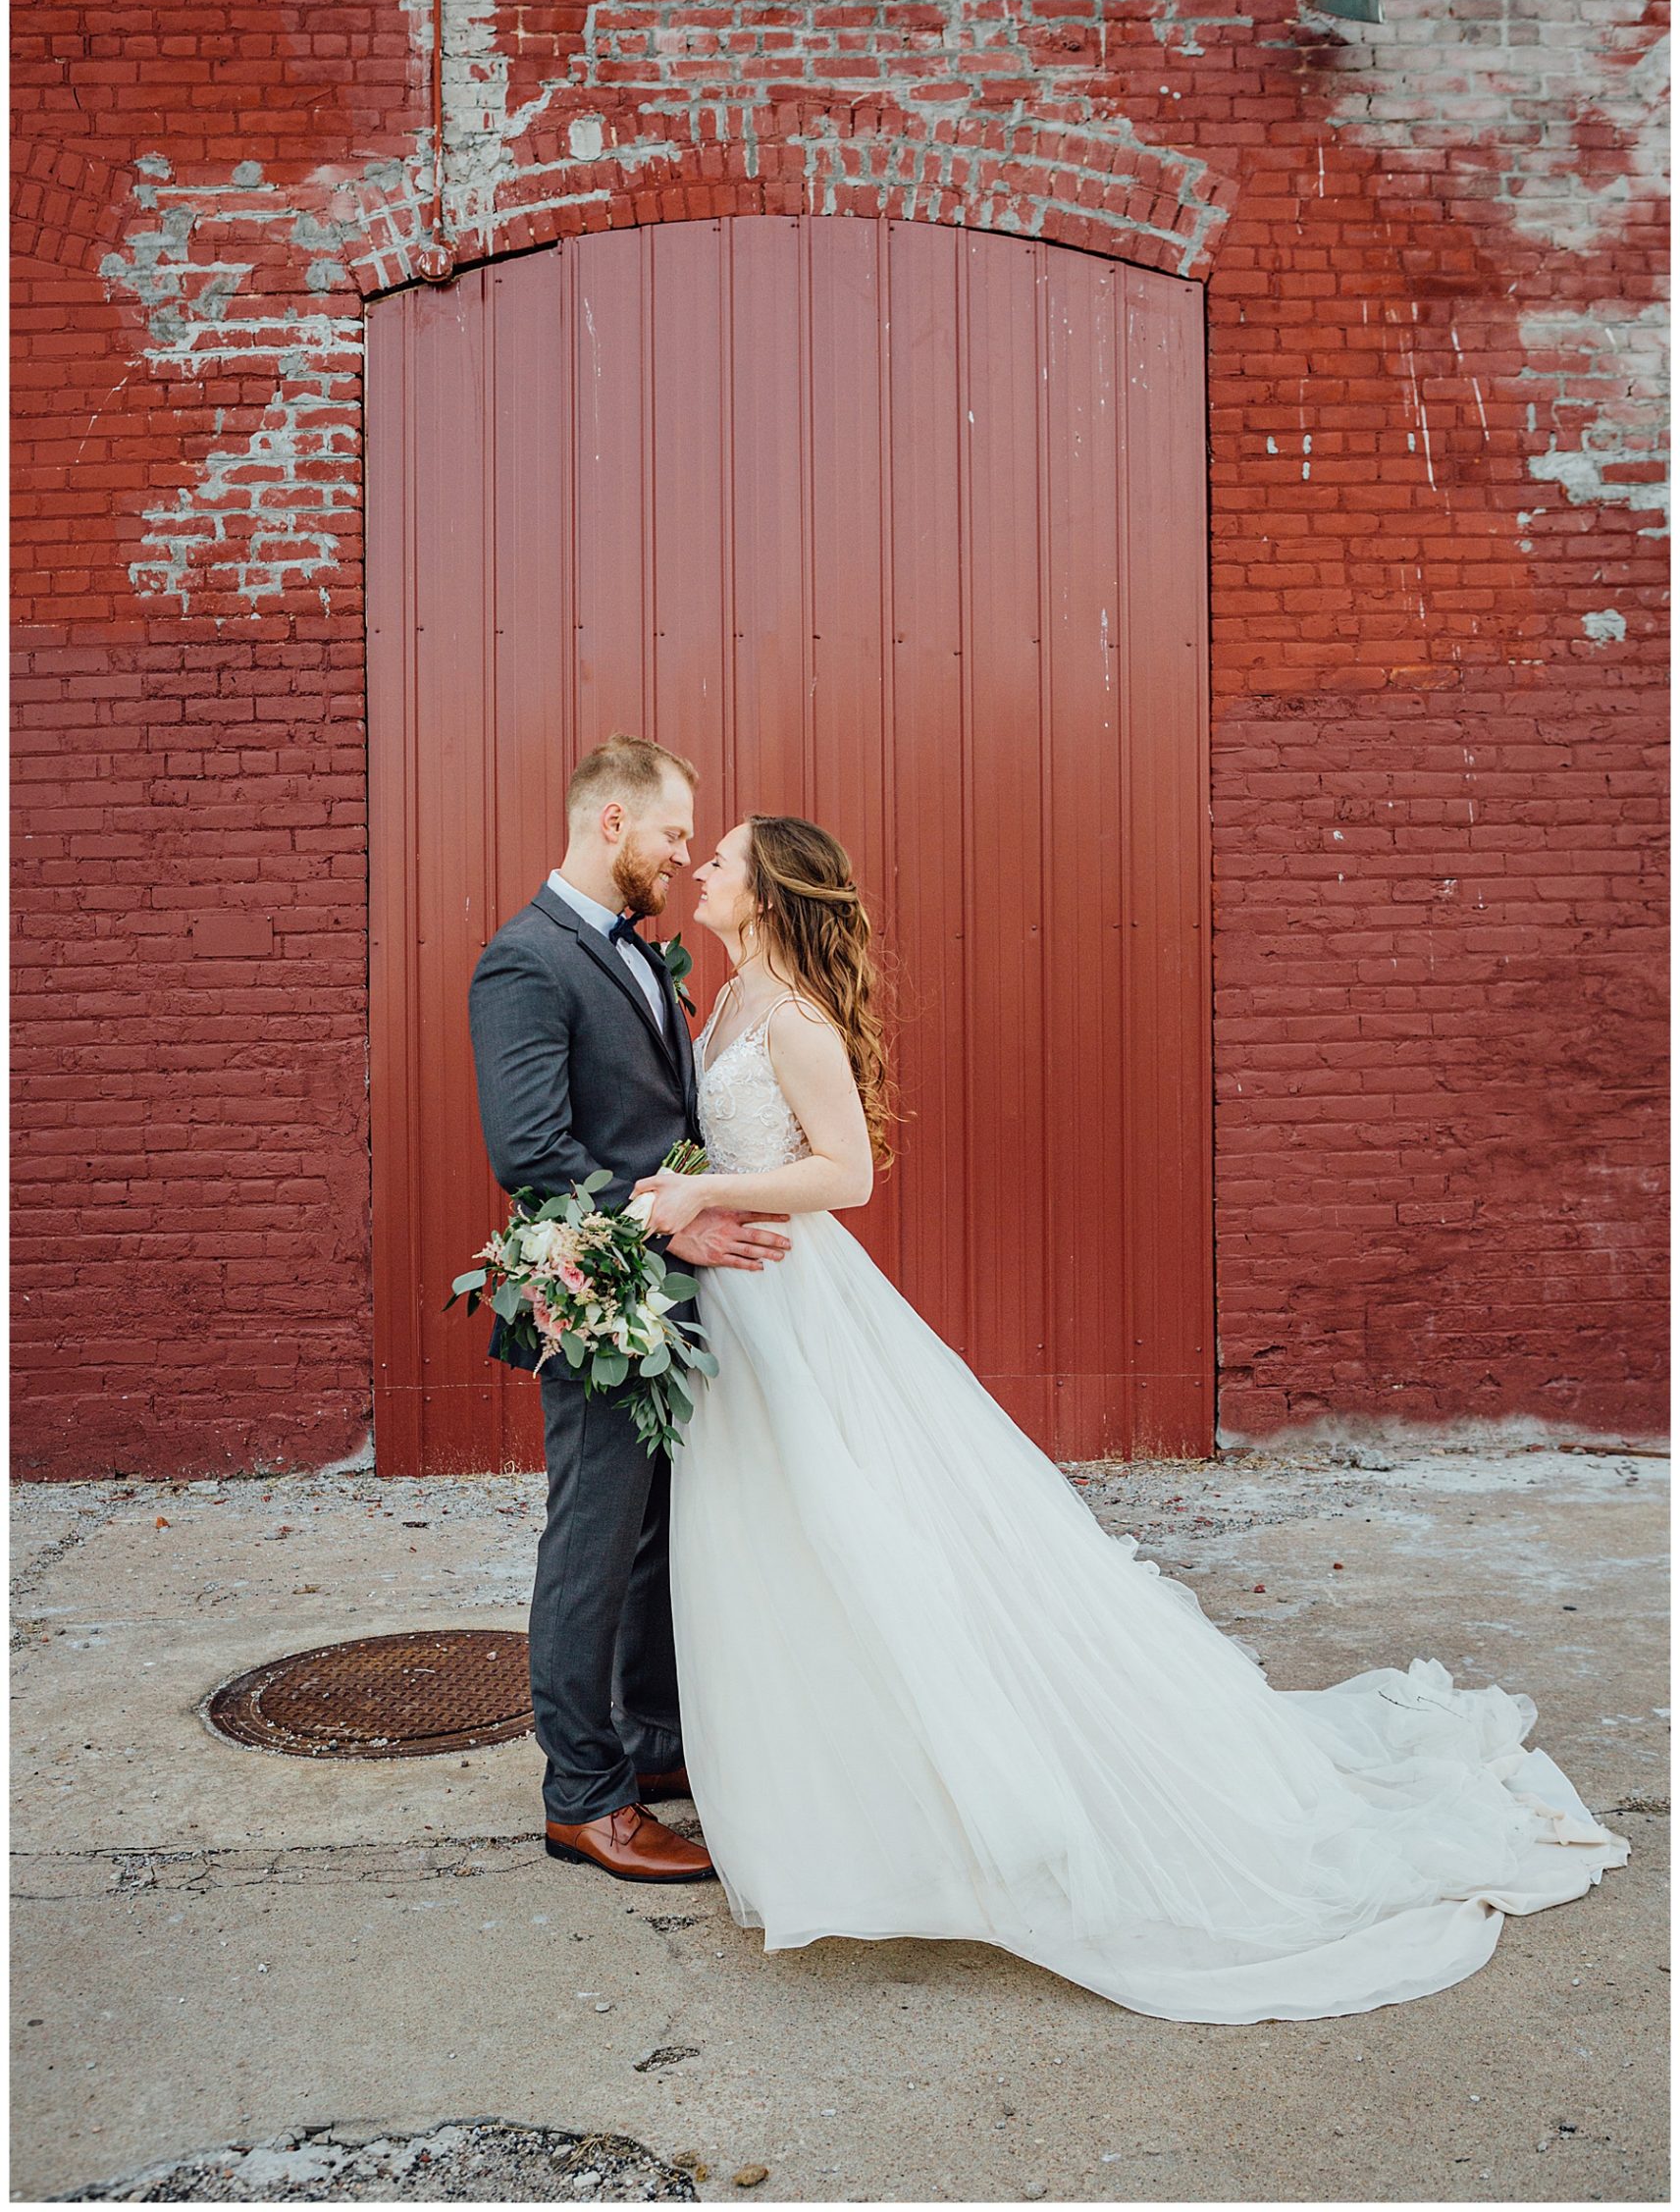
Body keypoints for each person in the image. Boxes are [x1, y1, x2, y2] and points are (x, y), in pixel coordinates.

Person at [628, 813, 1632, 2024]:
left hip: (795, 1298)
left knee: (862, 1531)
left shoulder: (791, 1022)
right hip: (740, 1300)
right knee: (779, 1541)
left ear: (770, 890)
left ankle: (940, 1804)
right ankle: (821, 1784)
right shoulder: (728, 1002)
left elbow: (846, 1176)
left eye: (723, 859)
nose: (701, 871)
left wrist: (703, 1188)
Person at [468, 734, 791, 1884]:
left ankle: (649, 1745)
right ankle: (582, 1797)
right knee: (591, 1545)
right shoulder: (527, 960)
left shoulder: (637, 953)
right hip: (599, 1296)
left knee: (655, 1534)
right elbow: (533, 1153)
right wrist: (673, 1220)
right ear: (612, 823)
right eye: (670, 834)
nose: (683, 853)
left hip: (665, 1296)